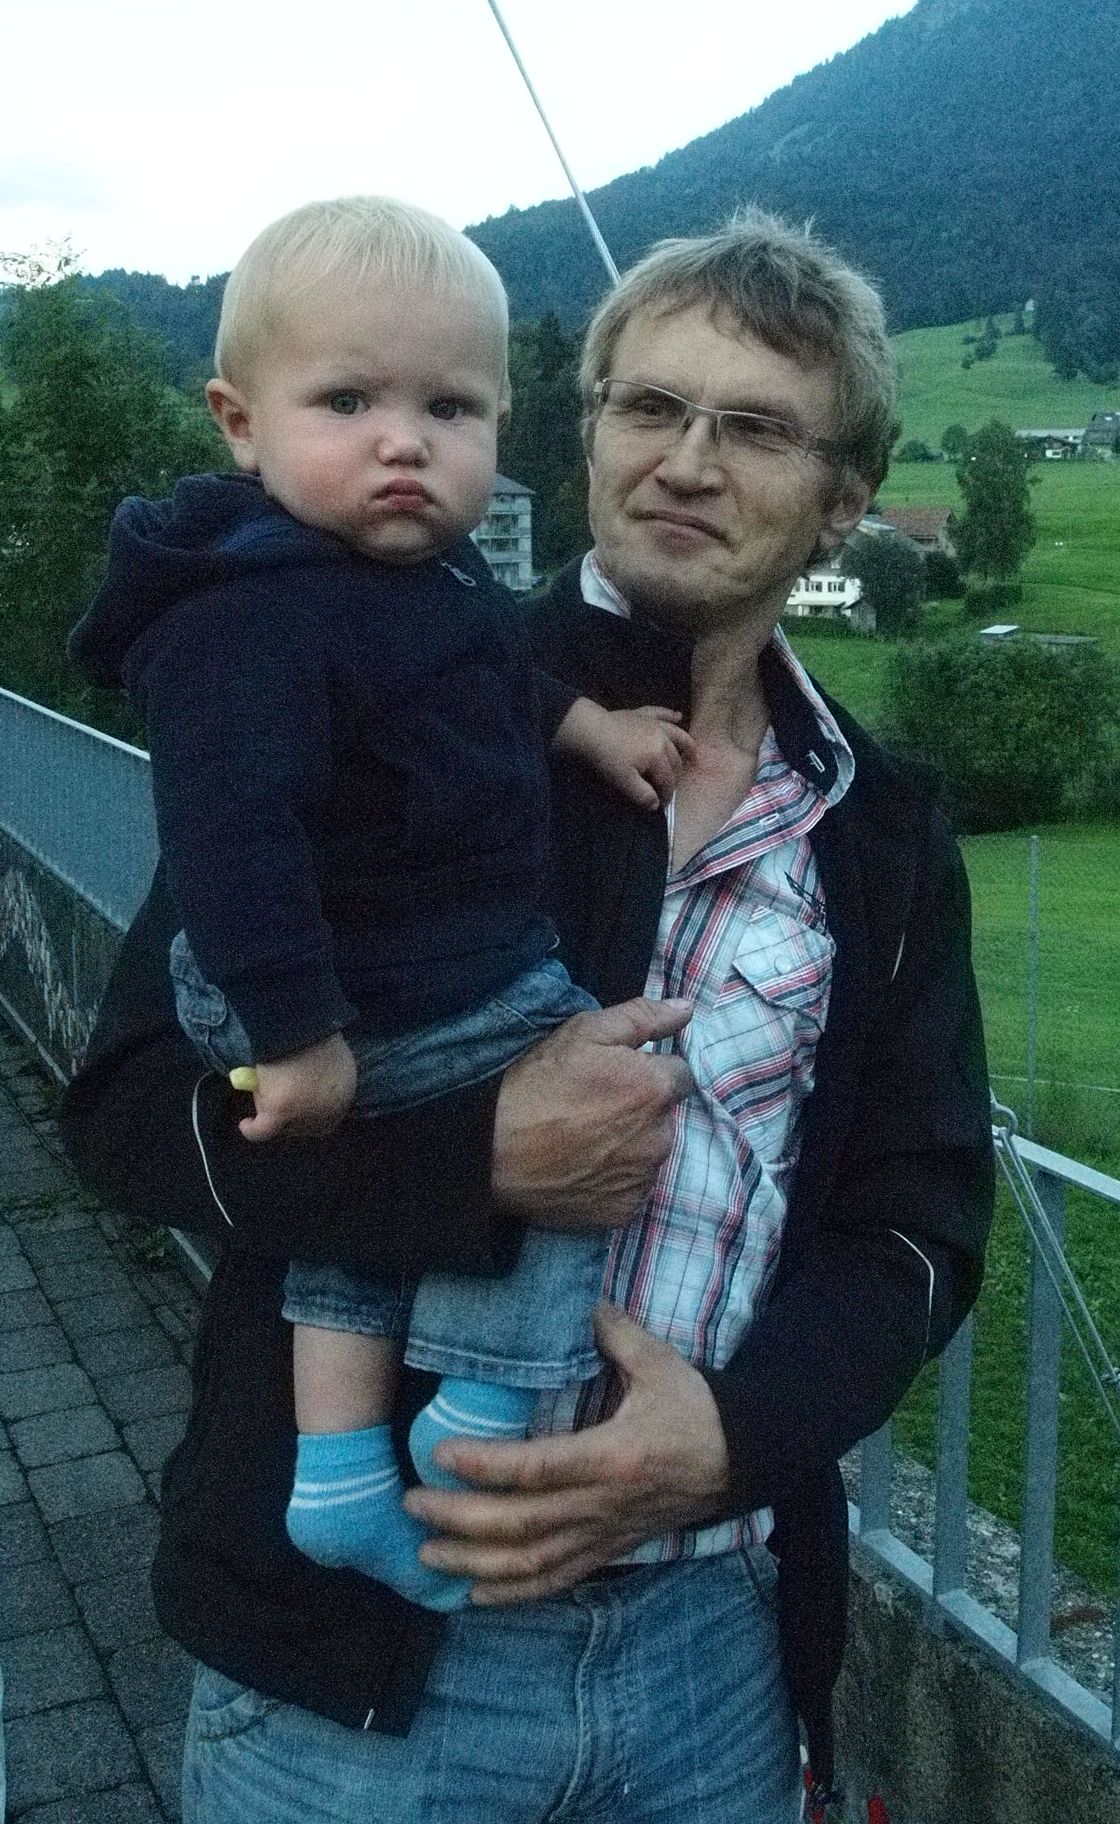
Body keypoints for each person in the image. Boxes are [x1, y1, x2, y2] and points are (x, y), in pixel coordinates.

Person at [59, 206, 994, 1824]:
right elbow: (134, 1108)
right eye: (650, 407)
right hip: (363, 1682)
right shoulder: (390, 679)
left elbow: (917, 1216)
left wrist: (736, 1439)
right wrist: (473, 1162)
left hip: (716, 1650)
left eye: (756, 427)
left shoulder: (878, 824)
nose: (686, 462)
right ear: (586, 430)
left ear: (844, 498)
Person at [67, 196, 695, 1611]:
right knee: (606, 1098)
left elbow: (485, 682)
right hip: (347, 985)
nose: (404, 441)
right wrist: (297, 1033)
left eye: (449, 408)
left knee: (356, 1219)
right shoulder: (248, 615)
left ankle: (343, 1471)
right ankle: (484, 1405)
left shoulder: (419, 581)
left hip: (399, 976)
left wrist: (587, 728)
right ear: (240, 423)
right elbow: (229, 839)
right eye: (348, 402)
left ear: (502, 425)